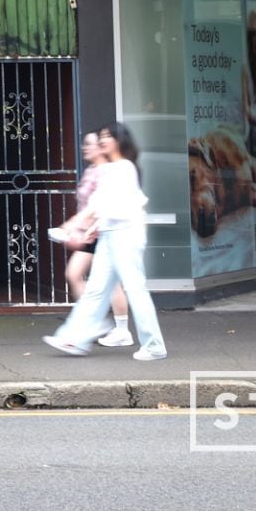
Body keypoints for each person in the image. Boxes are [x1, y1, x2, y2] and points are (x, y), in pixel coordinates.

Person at [43, 121, 167, 361]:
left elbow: (103, 205)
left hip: (125, 235)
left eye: (107, 136)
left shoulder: (124, 168)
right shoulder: (112, 169)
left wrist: (71, 226)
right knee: (96, 290)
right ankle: (75, 339)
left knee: (134, 289)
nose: (102, 140)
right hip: (111, 235)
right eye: (101, 136)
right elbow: (105, 207)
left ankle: (154, 346)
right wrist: (92, 229)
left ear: (119, 140)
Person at [51, 132, 131, 347]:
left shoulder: (107, 171)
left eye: (90, 144)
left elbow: (100, 207)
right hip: (90, 234)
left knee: (110, 284)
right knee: (75, 274)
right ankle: (93, 323)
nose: (84, 147)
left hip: (101, 233)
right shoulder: (92, 170)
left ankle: (117, 329)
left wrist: (73, 227)